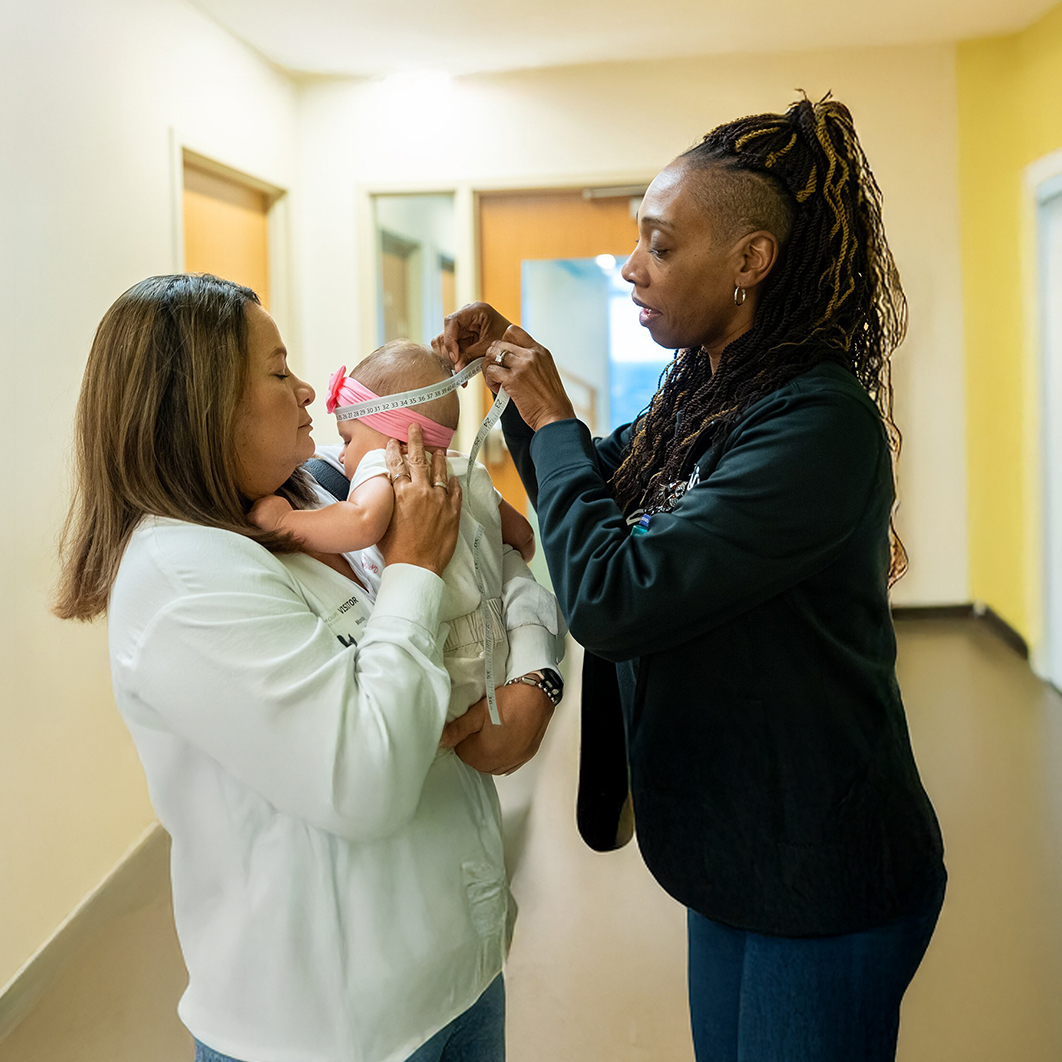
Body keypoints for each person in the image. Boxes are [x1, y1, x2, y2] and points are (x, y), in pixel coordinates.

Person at [437, 97, 947, 1062]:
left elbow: (614, 598)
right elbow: (589, 491)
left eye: (660, 245)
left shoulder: (817, 422)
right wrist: (523, 389)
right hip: (731, 854)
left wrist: (552, 420)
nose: (631, 266)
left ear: (752, 260)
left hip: (822, 869)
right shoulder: (703, 394)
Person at [53, 273, 562, 1062]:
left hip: (463, 970)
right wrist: (413, 570)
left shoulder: (324, 491)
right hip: (335, 1028)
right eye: (277, 370)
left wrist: (536, 678)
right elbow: (365, 779)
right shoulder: (183, 580)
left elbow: (506, 570)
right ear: (201, 406)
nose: (305, 392)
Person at [248, 341, 562, 728]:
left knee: (423, 738)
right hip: (497, 648)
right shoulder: (470, 472)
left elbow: (361, 522)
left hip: (445, 652)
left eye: (347, 440)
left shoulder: (381, 464)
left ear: (393, 436)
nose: (343, 456)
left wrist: (285, 522)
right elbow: (523, 537)